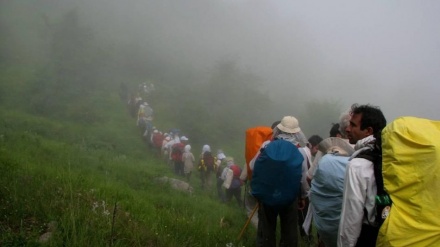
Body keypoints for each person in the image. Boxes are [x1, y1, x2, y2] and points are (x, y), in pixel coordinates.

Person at [254, 116, 309, 247]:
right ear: (296, 132)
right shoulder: (299, 150)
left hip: (267, 194)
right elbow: (302, 177)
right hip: (290, 196)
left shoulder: (267, 145)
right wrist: (303, 196)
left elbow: (253, 166)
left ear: (279, 129)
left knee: (267, 228)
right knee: (289, 229)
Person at [337, 104, 387, 247]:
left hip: (367, 235)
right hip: (387, 230)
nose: (347, 129)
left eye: (353, 125)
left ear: (368, 131)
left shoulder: (357, 165)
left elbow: (352, 216)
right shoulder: (388, 155)